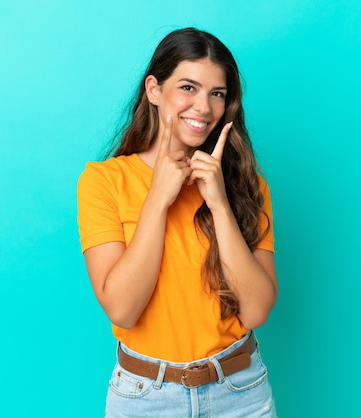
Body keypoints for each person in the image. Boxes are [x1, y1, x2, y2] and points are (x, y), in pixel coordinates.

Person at [77, 27, 278, 417]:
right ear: (154, 89)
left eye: (216, 93)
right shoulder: (103, 182)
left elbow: (255, 311)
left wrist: (219, 204)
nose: (203, 107)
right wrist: (157, 199)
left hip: (241, 393)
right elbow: (122, 309)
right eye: (188, 87)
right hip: (146, 398)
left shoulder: (247, 185)